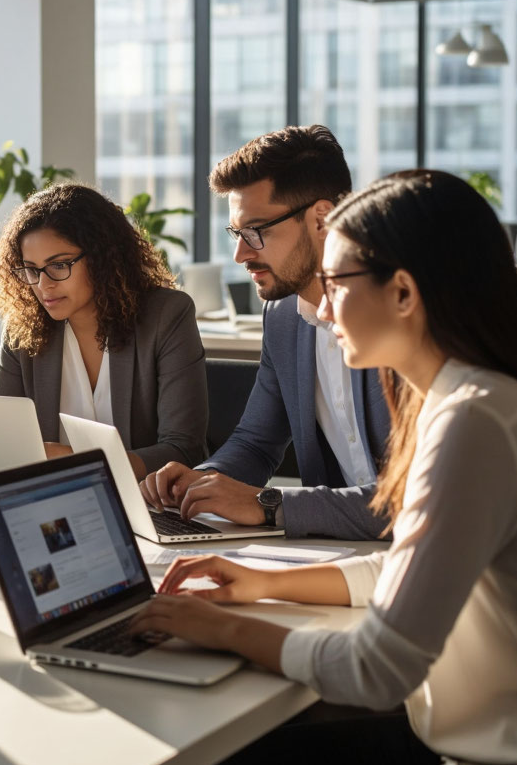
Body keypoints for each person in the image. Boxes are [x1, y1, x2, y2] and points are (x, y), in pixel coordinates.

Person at [132, 170, 517, 765]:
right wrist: (262, 585)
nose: (322, 305)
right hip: (479, 752)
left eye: (338, 282)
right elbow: (410, 570)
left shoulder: (473, 421)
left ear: (403, 292)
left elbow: (377, 670)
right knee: (239, 759)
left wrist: (217, 628)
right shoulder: (464, 401)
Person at [140, 125, 390, 539]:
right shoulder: (283, 316)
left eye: (256, 231)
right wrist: (200, 483)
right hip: (345, 552)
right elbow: (257, 442)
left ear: (323, 218)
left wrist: (269, 505)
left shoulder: (398, 321)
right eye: (237, 233)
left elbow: (418, 499)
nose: (240, 253)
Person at [0, 182, 207, 480]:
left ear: (104, 258)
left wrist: (73, 457)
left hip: (146, 508)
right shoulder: (22, 330)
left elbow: (183, 450)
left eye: (59, 265)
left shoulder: (166, 316)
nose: (43, 285)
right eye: (31, 269)